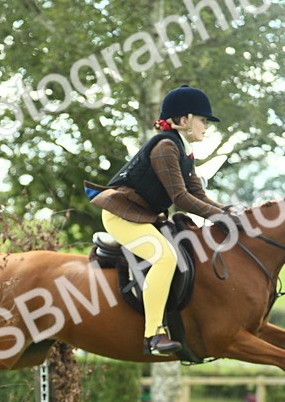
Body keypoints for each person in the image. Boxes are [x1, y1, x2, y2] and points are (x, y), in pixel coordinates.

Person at [89, 84, 229, 354]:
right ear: (185, 120)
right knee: (165, 257)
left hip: (141, 215)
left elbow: (198, 194)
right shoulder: (166, 147)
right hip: (122, 216)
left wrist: (232, 213)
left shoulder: (184, 151)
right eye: (203, 120)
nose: (206, 127)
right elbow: (181, 199)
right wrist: (220, 218)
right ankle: (154, 335)